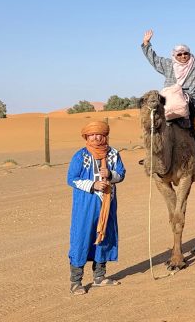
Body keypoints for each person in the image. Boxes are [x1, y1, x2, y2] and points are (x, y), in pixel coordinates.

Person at [141, 29, 195, 158]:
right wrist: (146, 43)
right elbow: (154, 59)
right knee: (154, 118)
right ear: (175, 55)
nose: (183, 56)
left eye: (185, 53)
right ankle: (153, 151)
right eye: (180, 54)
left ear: (189, 53)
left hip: (194, 97)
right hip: (172, 97)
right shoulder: (167, 64)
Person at [67, 120, 126, 295]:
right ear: (86, 136)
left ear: (105, 135)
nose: (95, 137)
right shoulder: (81, 156)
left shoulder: (113, 154)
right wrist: (93, 185)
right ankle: (76, 282)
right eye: (92, 134)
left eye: (99, 134)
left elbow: (122, 174)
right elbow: (71, 178)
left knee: (104, 236)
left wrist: (111, 175)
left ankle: (99, 276)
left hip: (107, 203)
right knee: (82, 237)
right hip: (85, 204)